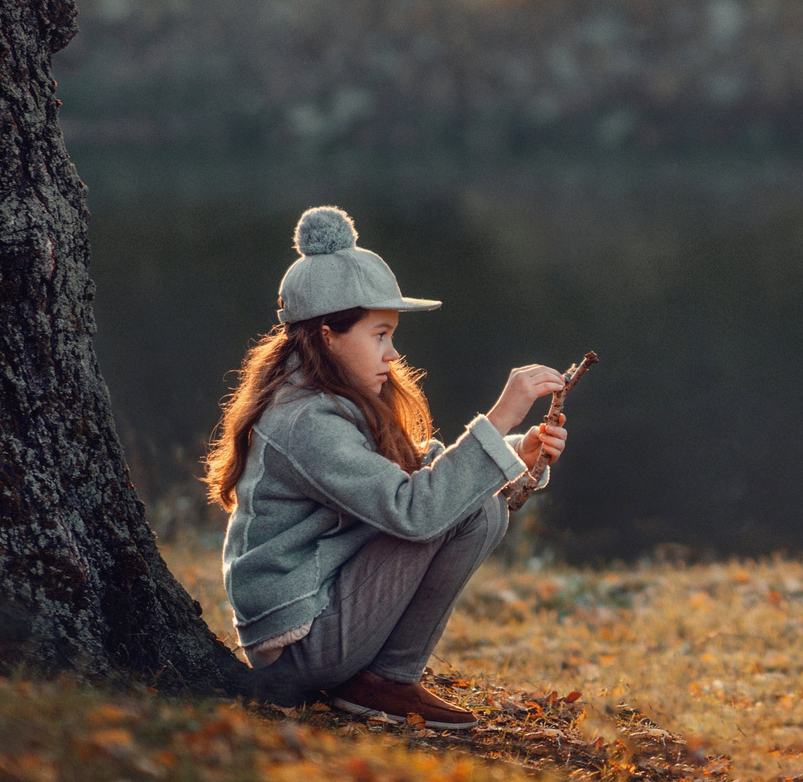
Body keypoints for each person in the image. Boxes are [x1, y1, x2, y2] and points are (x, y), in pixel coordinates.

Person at [202, 204, 571, 724]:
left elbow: (414, 476)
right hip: (299, 646)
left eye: (392, 335)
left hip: (322, 617)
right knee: (465, 511)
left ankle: (382, 682)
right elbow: (414, 510)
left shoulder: (331, 399)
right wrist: (502, 413)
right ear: (328, 333)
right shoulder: (305, 421)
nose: (393, 353)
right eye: (380, 335)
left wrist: (517, 452)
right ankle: (385, 681)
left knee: (477, 508)